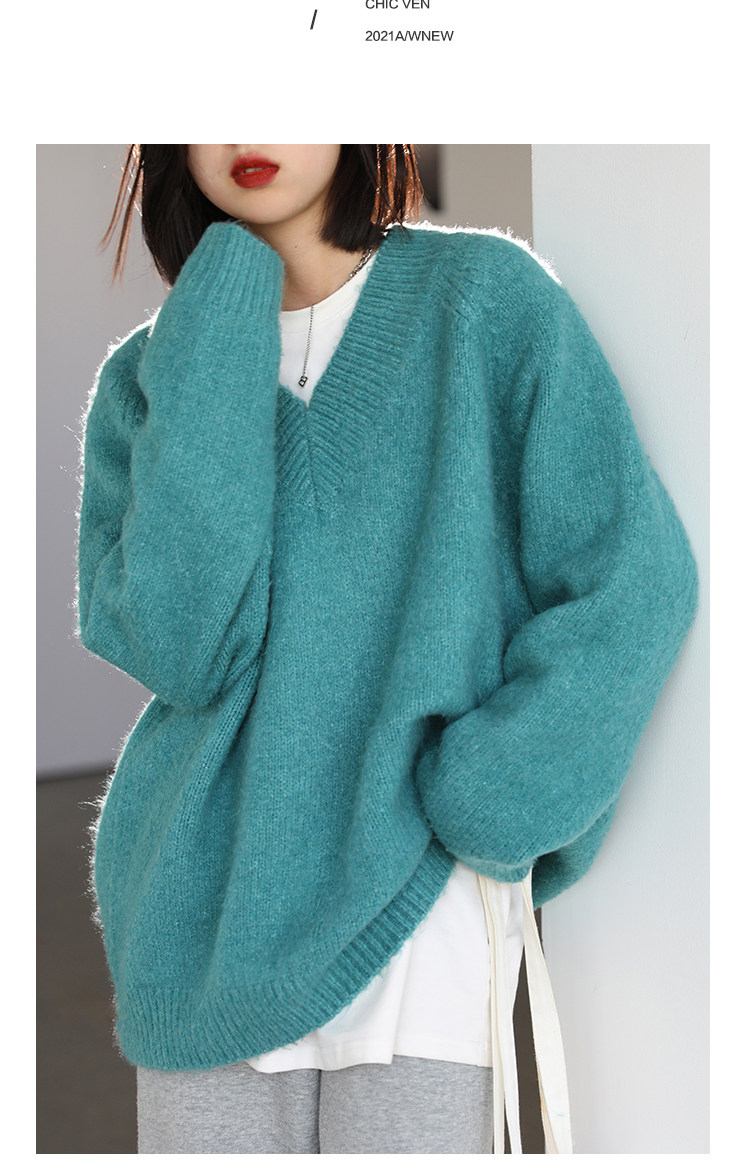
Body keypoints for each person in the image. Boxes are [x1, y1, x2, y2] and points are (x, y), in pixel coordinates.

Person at [75, 144, 698, 1155]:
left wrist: (499, 792)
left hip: (417, 914)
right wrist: (219, 308)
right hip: (202, 925)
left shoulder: (485, 306)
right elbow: (186, 649)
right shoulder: (146, 381)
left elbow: (633, 578)